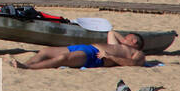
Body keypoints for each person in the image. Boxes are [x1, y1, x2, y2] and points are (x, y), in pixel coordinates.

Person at [11, 31, 146, 69]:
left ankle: (28, 67)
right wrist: (124, 41)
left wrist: (110, 56)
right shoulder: (119, 45)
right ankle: (27, 63)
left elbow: (134, 64)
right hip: (86, 48)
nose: (123, 38)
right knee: (45, 51)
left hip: (95, 55)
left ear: (134, 41)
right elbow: (112, 32)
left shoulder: (138, 53)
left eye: (127, 37)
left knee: (62, 59)